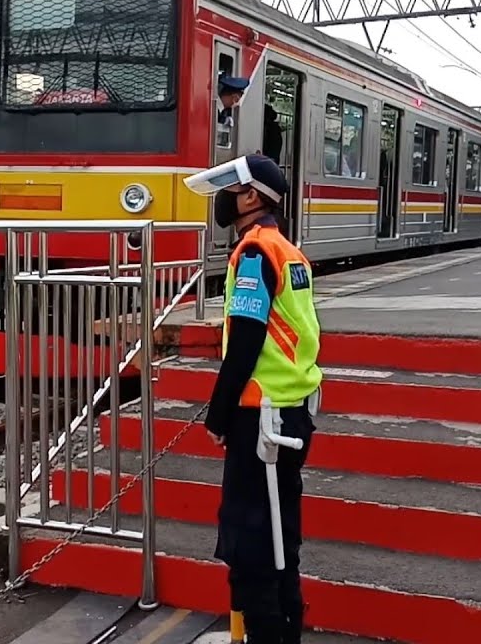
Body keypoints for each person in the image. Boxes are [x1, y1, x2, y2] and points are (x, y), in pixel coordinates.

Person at [183, 154, 322, 644]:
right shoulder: (289, 251)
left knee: (252, 549)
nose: (222, 198)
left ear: (251, 196)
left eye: (230, 188)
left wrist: (217, 415)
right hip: (291, 413)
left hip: (261, 419)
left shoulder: (255, 253)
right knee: (281, 542)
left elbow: (244, 340)